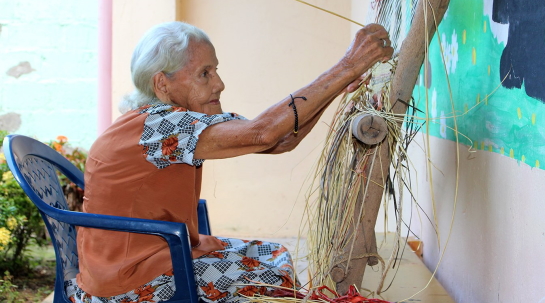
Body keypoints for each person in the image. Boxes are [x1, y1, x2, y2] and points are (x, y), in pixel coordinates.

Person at [66, 21, 392, 303]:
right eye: (204, 74)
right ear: (162, 84)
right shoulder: (160, 127)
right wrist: (348, 65)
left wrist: (336, 86)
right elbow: (263, 133)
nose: (218, 84)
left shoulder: (181, 121)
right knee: (266, 282)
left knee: (273, 256)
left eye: (215, 70)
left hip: (164, 254)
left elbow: (280, 139)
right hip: (130, 282)